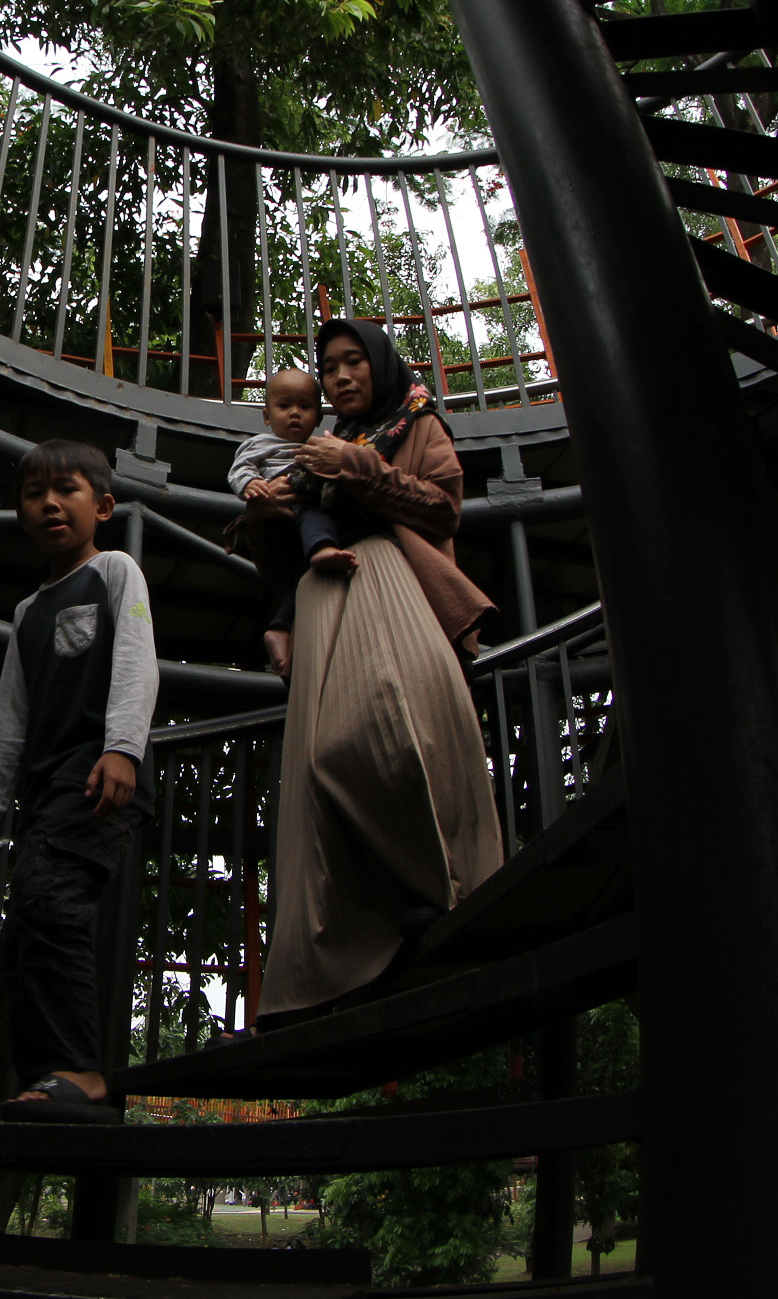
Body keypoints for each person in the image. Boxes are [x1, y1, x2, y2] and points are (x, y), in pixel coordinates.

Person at [257, 318, 502, 1031]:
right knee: (313, 773)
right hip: (320, 597)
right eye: (328, 367)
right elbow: (290, 530)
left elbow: (442, 508)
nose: (339, 377)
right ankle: (339, 956)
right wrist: (270, 514)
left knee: (384, 734)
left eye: (352, 361)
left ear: (381, 364)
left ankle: (441, 886)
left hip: (388, 577)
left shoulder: (417, 422)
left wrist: (358, 467)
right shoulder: (312, 447)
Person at [0, 439, 159, 1125]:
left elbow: (137, 659)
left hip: (98, 770)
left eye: (66, 490)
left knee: (51, 899)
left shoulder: (114, 570)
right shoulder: (26, 612)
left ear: (102, 506)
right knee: (28, 930)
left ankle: (82, 1073)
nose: (48, 503)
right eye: (34, 494)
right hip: (46, 791)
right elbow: (8, 717)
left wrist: (124, 749)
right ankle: (47, 1083)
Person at [228, 367, 324, 679]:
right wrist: (250, 485)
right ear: (267, 416)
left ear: (318, 417)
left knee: (306, 581)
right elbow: (240, 468)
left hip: (303, 522)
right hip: (274, 525)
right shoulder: (260, 444)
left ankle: (281, 630)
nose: (295, 414)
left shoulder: (320, 448)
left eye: (305, 407)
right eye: (285, 406)